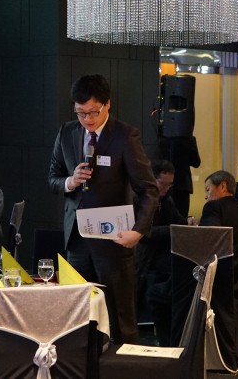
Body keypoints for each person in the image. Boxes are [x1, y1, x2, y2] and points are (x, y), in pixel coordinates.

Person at [48, 74, 159, 344]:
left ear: (107, 104)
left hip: (114, 242)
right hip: (77, 241)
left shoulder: (124, 136)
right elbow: (53, 178)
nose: (87, 119)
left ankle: (124, 364)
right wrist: (70, 181)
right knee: (78, 316)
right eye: (81, 112)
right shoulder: (67, 132)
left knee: (120, 318)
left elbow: (149, 189)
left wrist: (138, 231)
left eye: (93, 112)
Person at [197, 170, 238, 368]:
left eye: (208, 189)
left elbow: (208, 242)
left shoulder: (213, 207)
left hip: (215, 282)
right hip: (236, 281)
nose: (206, 196)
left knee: (158, 293)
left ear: (222, 186)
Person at [134, 159, 189, 345]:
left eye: (169, 185)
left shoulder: (166, 199)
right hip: (142, 257)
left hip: (161, 255)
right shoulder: (139, 198)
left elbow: (178, 220)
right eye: (162, 184)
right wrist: (174, 228)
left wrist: (187, 222)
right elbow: (144, 233)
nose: (165, 189)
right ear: (152, 179)